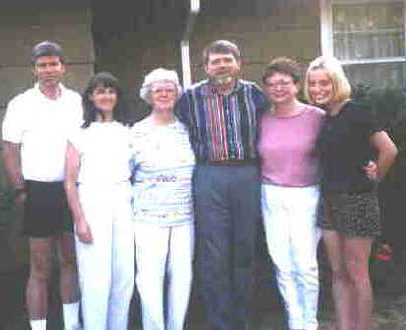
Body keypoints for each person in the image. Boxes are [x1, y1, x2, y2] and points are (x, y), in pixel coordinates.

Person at [177, 40, 269, 330]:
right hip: (209, 176)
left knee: (245, 247)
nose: (222, 66)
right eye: (215, 61)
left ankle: (244, 320)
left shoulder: (255, 95)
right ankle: (219, 322)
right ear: (205, 67)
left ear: (239, 63)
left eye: (227, 60)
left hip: (246, 175)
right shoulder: (190, 98)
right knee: (213, 252)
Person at [304, 56, 398, 330]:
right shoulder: (323, 117)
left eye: (324, 82)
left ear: (337, 82)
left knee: (357, 271)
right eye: (313, 84)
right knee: (338, 273)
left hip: (357, 200)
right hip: (328, 201)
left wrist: (376, 173)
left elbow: (389, 149)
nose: (318, 88)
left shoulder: (356, 111)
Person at [2, 41, 82, 330]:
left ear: (63, 67)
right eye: (42, 65)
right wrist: (20, 190)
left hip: (72, 191)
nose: (48, 70)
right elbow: (10, 150)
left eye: (53, 64)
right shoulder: (20, 103)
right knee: (40, 269)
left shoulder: (75, 100)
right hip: (37, 191)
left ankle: (72, 325)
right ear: (34, 69)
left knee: (71, 262)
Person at [64, 72, 134, 330]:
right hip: (92, 203)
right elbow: (69, 181)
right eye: (100, 91)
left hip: (124, 202)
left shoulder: (128, 130)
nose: (106, 96)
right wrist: (79, 220)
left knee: (123, 275)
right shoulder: (79, 133)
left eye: (111, 91)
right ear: (91, 97)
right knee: (95, 277)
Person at [258, 57, 324, 330]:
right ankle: (294, 321)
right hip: (271, 195)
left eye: (284, 82)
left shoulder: (316, 117)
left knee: (305, 265)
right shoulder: (262, 119)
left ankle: (310, 322)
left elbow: (341, 150)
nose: (278, 88)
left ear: (297, 85)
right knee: (282, 263)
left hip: (306, 196)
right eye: (271, 84)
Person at [132, 68, 195, 330]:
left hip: (184, 216)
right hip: (148, 217)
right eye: (158, 90)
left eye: (170, 89)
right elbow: (127, 174)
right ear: (149, 95)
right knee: (149, 279)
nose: (165, 94)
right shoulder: (136, 132)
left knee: (182, 277)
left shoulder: (187, 130)